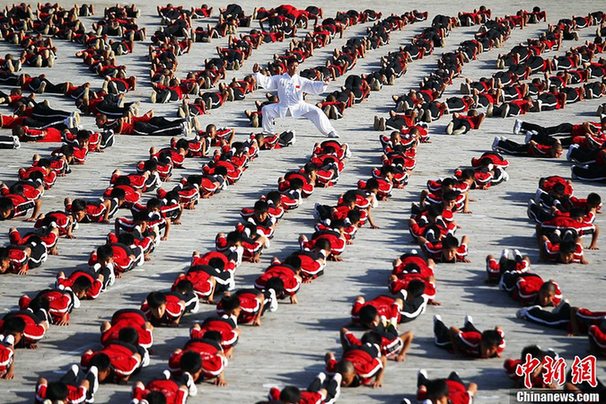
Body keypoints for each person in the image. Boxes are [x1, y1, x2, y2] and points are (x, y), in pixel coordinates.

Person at [253, 59, 339, 138]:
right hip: (283, 107)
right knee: (266, 109)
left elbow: (312, 85)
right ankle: (268, 132)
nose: (295, 68)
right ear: (288, 67)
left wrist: (323, 84)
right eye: (293, 66)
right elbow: (267, 81)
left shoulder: (300, 80)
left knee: (317, 111)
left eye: (297, 66)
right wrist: (257, 73)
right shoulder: (280, 78)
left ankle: (330, 131)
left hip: (299, 106)